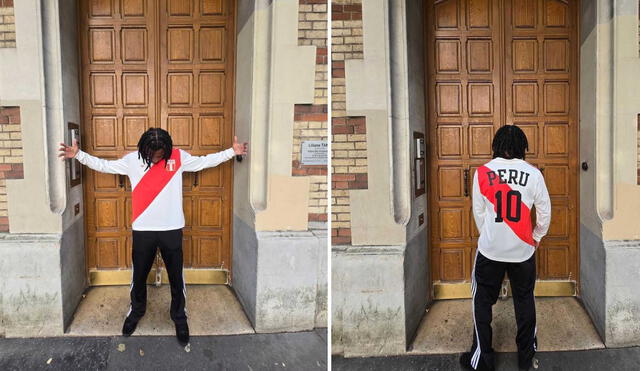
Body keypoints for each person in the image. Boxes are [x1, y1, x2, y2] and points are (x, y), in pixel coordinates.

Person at [58, 128, 248, 345]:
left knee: (176, 277)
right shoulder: (133, 160)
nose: (157, 157)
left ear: (167, 149)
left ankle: (179, 317)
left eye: (161, 154)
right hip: (143, 229)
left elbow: (204, 161)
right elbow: (105, 165)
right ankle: (136, 312)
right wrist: (79, 155)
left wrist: (231, 152)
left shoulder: (178, 157)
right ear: (144, 148)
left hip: (172, 229)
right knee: (139, 276)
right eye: (153, 153)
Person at [460, 125, 551, 371]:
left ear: (497, 146)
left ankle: (482, 360)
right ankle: (525, 358)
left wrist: (489, 235)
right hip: (523, 250)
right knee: (524, 301)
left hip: (490, 251)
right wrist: (537, 236)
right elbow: (544, 213)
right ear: (523, 147)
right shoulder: (533, 174)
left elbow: (478, 212)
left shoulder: (482, 173)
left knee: (482, 302)